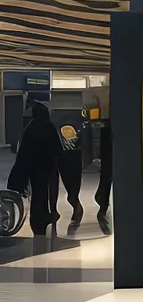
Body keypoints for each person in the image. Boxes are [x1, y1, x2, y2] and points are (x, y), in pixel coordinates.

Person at [8, 101, 62, 235]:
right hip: (46, 167)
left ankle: (39, 217)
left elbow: (24, 150)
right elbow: (57, 149)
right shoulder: (48, 126)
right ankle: (43, 216)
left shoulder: (30, 128)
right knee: (43, 192)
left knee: (37, 193)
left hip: (32, 168)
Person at [58, 122, 86, 231]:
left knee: (72, 195)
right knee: (71, 194)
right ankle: (77, 211)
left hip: (70, 164)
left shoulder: (75, 148)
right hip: (67, 164)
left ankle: (78, 211)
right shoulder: (74, 148)